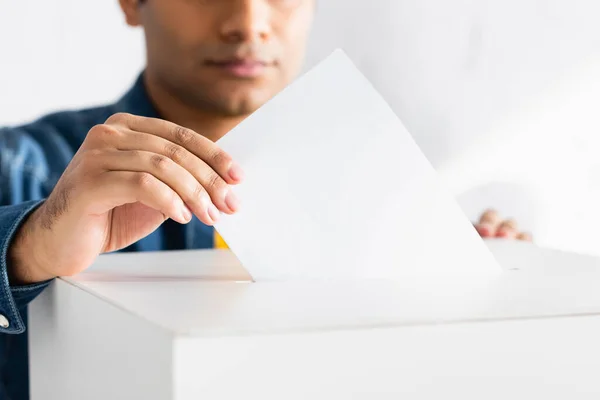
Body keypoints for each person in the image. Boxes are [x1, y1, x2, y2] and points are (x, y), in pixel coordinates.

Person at [0, 1, 530, 398]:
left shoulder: (396, 207)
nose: (248, 22)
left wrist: (475, 298)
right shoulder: (16, 169)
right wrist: (25, 247)